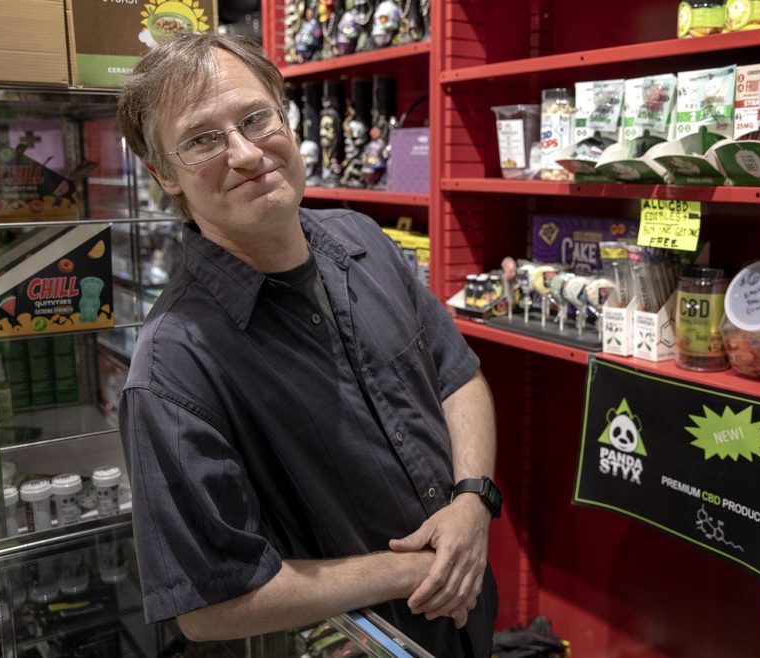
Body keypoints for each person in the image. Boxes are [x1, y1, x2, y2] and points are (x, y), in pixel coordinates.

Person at [116, 33, 500, 657]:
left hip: (469, 619)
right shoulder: (173, 367)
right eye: (202, 140)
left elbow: (459, 377)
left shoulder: (364, 240)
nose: (244, 153)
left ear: (283, 115)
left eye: (254, 117)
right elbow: (208, 606)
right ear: (165, 175)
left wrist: (473, 499)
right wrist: (419, 567)